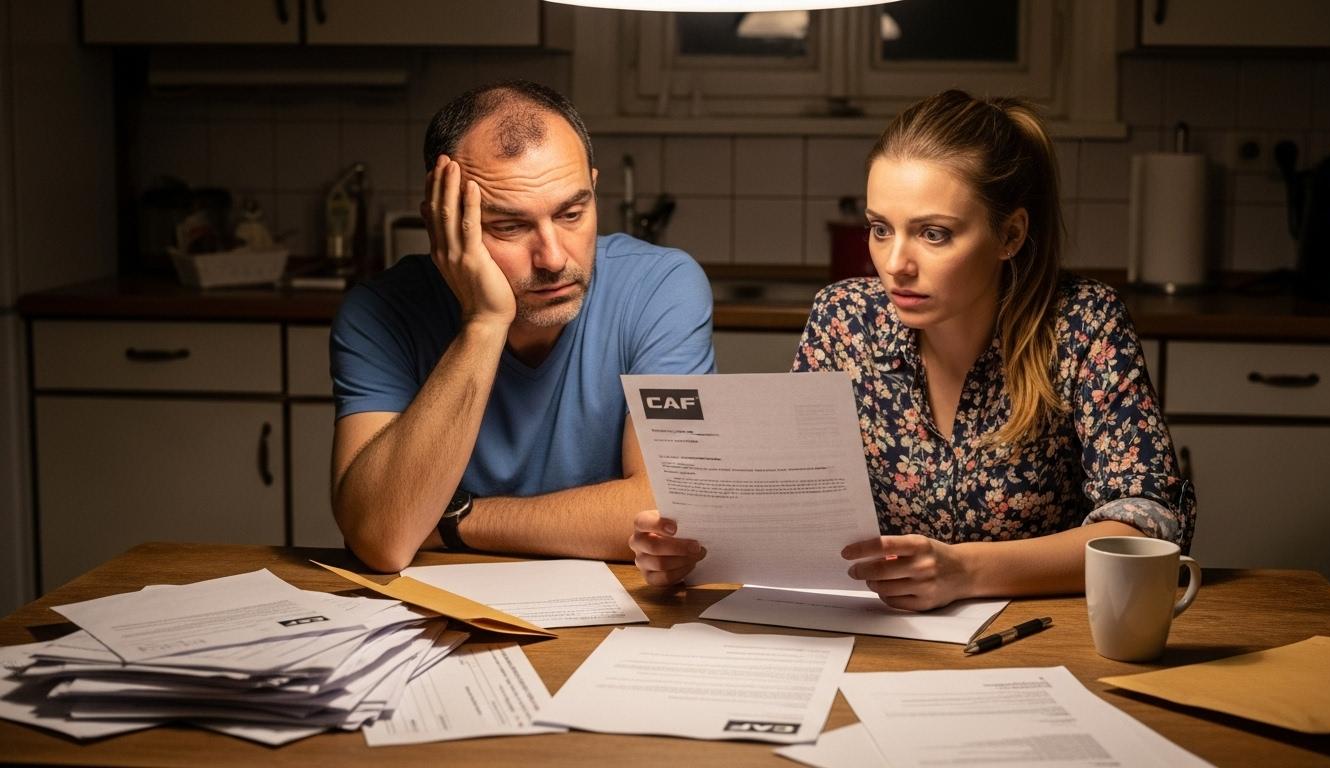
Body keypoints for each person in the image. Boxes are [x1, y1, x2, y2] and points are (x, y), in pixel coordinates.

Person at [630, 90, 1194, 610]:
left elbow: (1146, 522)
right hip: (878, 638)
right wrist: (692, 552)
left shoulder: (1083, 324)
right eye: (881, 229)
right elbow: (798, 511)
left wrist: (965, 571)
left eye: (934, 233)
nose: (895, 264)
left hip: (1041, 637)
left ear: (1010, 235)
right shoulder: (844, 321)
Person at [331, 81, 714, 572]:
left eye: (572, 213)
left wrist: (454, 521)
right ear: (443, 221)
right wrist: (484, 322)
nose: (553, 258)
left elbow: (669, 513)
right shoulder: (377, 311)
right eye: (509, 227)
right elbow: (381, 538)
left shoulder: (662, 286)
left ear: (594, 188)